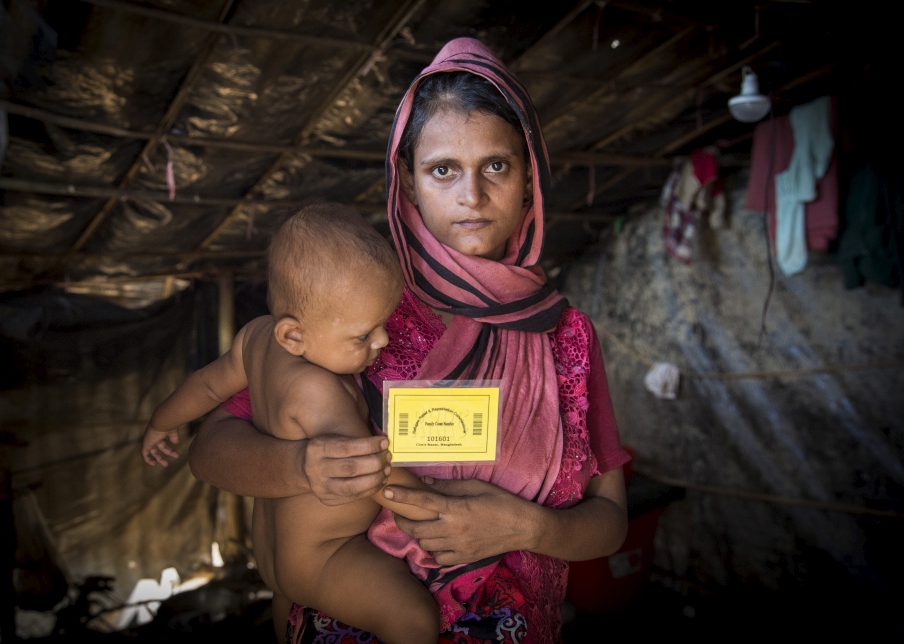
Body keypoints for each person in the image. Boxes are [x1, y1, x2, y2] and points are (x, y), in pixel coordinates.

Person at [188, 38, 630, 643]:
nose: (470, 196)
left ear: (530, 174)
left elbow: (609, 520)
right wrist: (301, 466)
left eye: (496, 166)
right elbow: (210, 448)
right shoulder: (358, 307)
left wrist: (526, 528)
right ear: (408, 179)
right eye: (443, 169)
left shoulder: (565, 336)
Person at [141, 202, 440, 644]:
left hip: (275, 561)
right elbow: (363, 471)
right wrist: (433, 508)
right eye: (364, 334)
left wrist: (161, 422)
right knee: (414, 620)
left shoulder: (255, 338)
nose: (382, 339)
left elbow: (206, 387)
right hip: (326, 557)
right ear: (294, 336)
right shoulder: (321, 392)